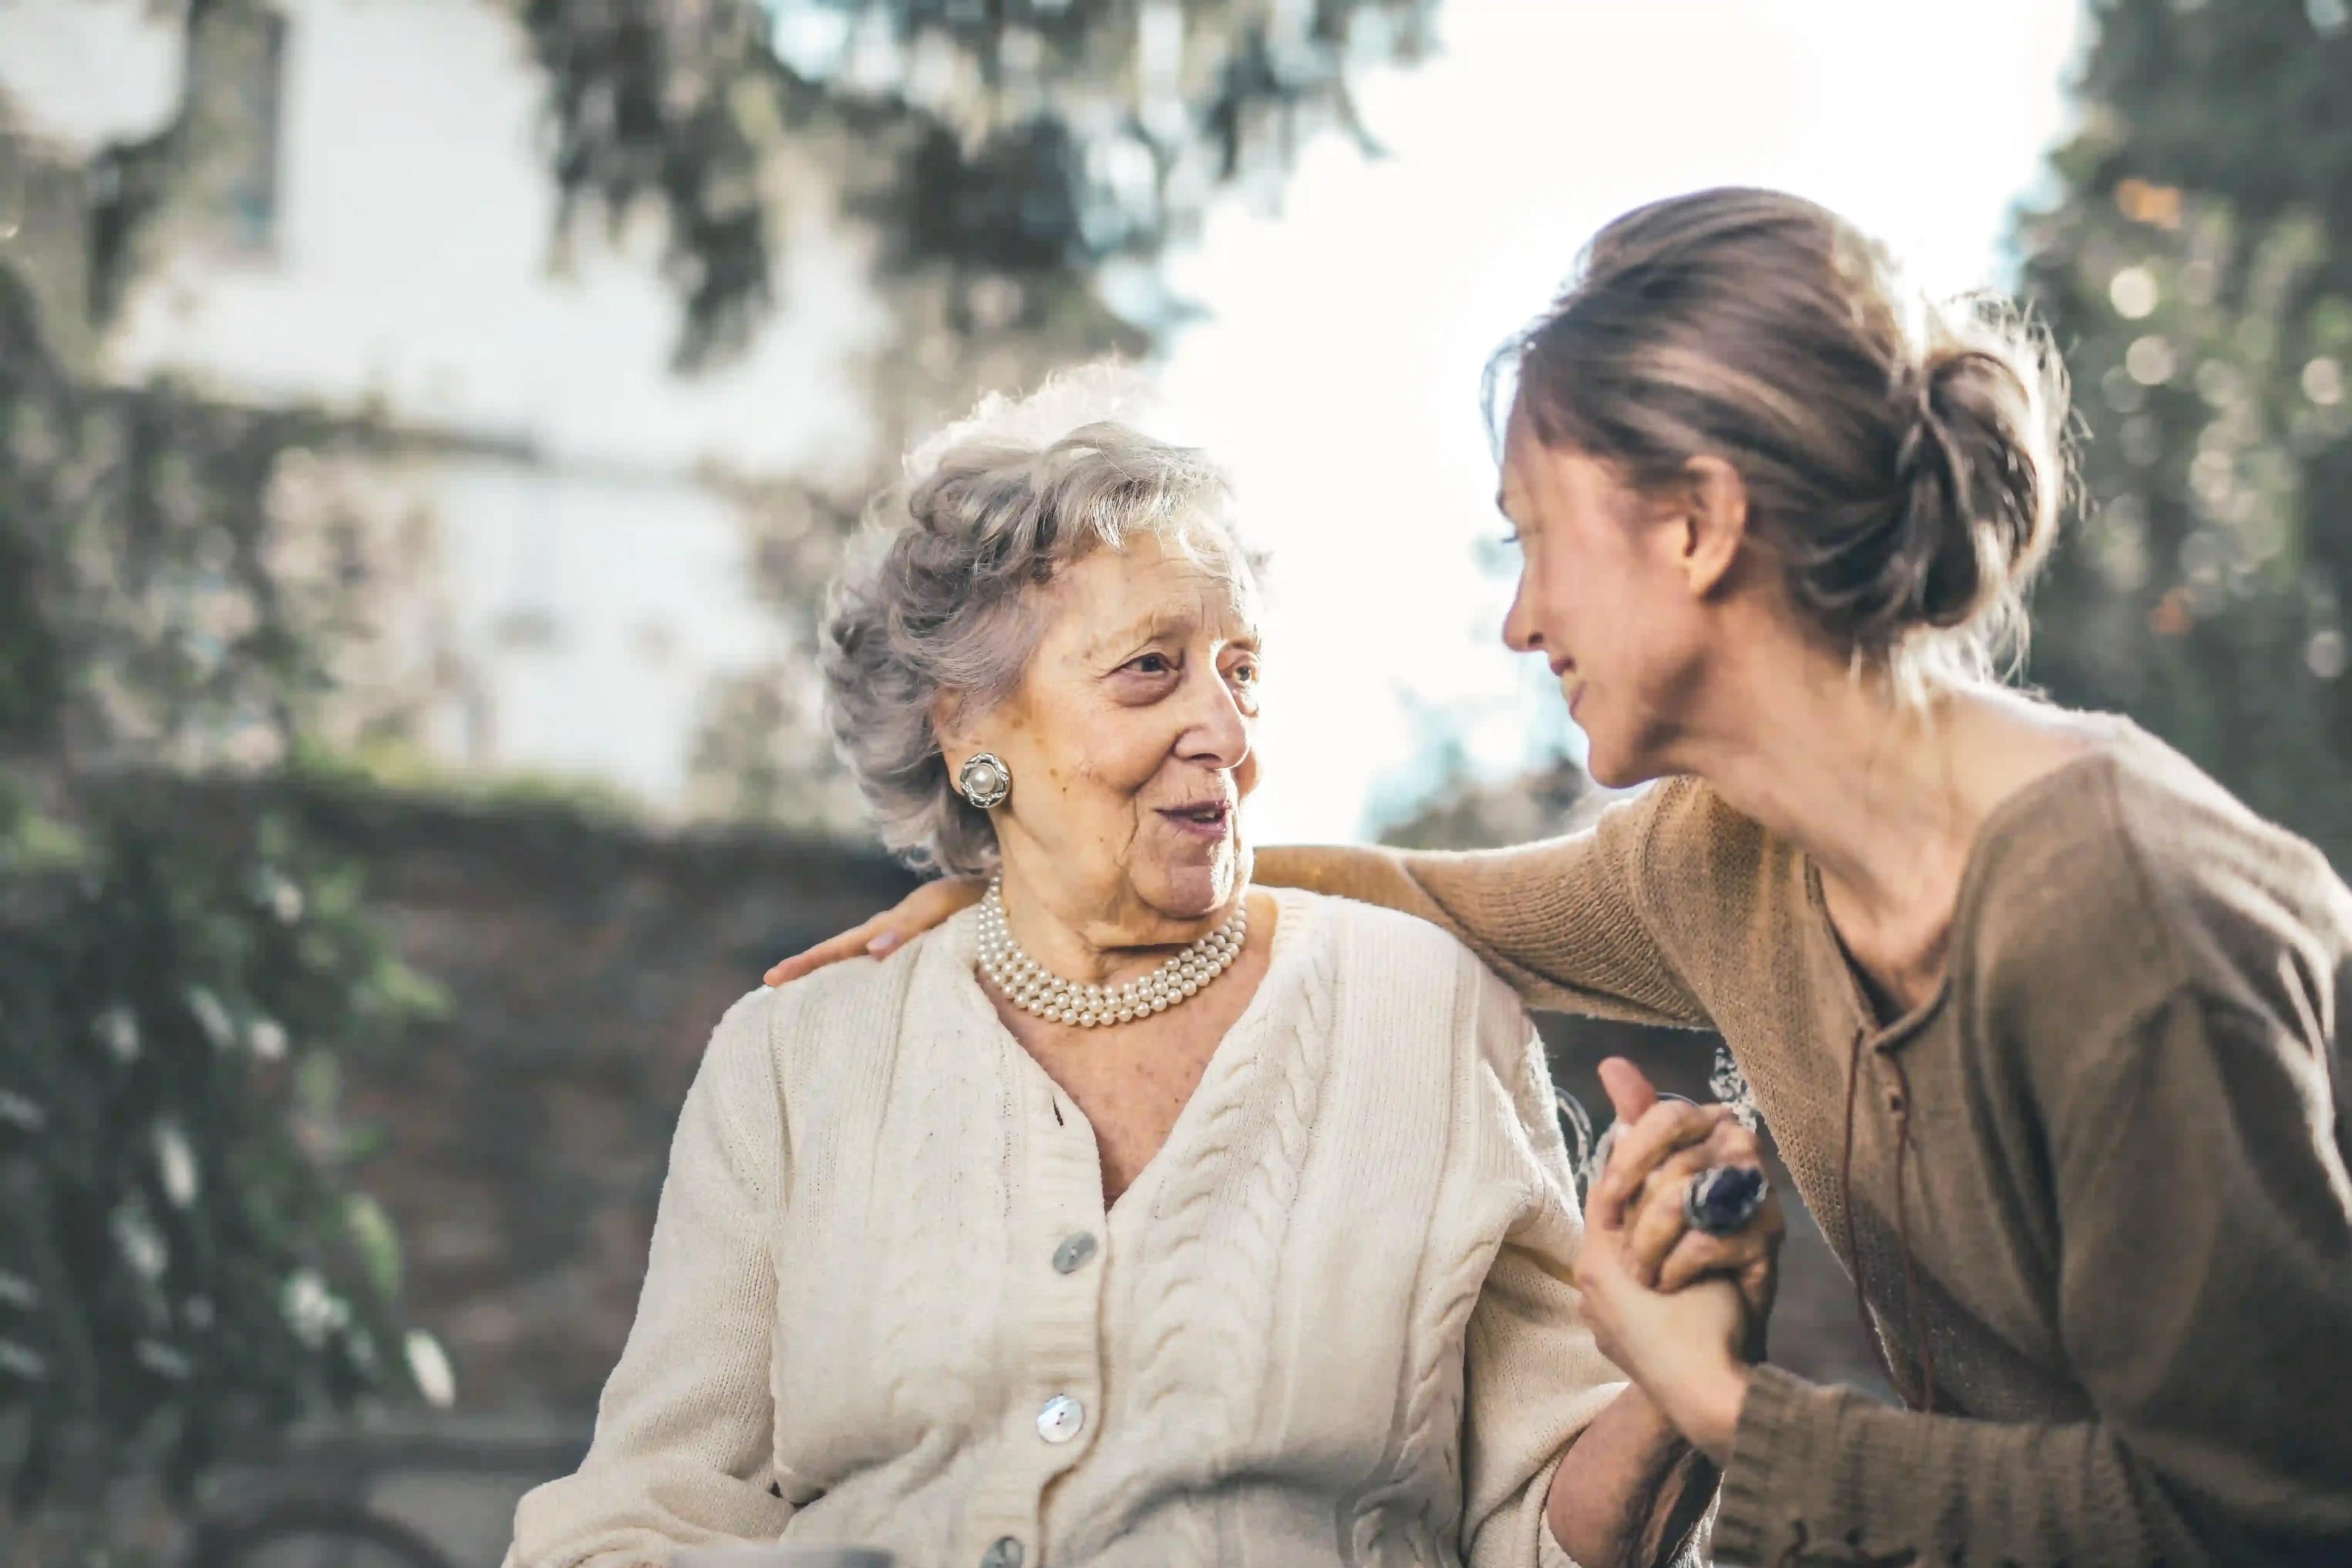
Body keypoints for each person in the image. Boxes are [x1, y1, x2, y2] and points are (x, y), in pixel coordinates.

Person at [767, 190, 2352, 1566]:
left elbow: (2260, 1518)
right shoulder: (1730, 862)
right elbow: (1424, 900)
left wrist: (1724, 1404)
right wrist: (1044, 892)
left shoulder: (2118, 918)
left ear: (1699, 526)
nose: (1522, 623)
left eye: (1536, 540)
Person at [509, 380, 1777, 1568]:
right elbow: (639, 1515)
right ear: (968, 726)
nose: (1226, 733)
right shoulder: (798, 1055)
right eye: (1151, 669)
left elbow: (1544, 1530)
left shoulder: (1423, 1011)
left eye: (1243, 673)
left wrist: (1681, 1385)